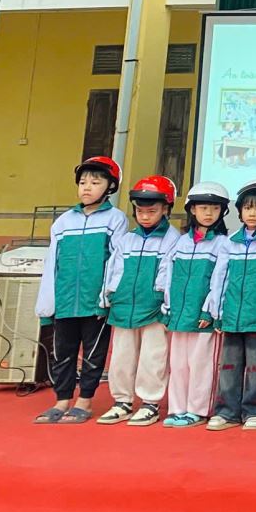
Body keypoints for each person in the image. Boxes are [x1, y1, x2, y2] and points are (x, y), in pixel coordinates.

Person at [35, 156, 127, 424]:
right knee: (62, 353)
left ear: (110, 187)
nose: (87, 187)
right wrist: (47, 304)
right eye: (83, 182)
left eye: (95, 182)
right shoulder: (63, 222)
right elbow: (52, 264)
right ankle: (61, 400)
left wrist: (106, 297)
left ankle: (85, 401)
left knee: (93, 354)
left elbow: (117, 261)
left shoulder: (115, 219)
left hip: (94, 301)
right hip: (64, 301)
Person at [97, 174, 180, 427]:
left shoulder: (173, 239)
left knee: (153, 357)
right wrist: (109, 296)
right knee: (121, 356)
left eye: (152, 211)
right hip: (124, 307)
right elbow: (114, 270)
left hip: (153, 308)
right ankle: (122, 401)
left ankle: (150, 403)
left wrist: (163, 302)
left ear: (166, 209)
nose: (145, 216)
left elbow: (169, 274)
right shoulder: (127, 239)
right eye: (140, 211)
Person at [205, 178, 256, 431]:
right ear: (239, 211)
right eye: (247, 207)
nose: (252, 213)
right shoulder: (230, 241)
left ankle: (255, 410)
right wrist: (217, 310)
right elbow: (220, 277)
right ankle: (226, 411)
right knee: (228, 365)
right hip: (231, 315)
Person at [156, 181, 230, 428]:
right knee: (178, 365)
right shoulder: (180, 243)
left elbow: (220, 280)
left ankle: (198, 409)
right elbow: (168, 275)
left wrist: (209, 310)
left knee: (201, 365)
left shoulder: (223, 244)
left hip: (203, 318)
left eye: (215, 209)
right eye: (203, 208)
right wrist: (168, 307)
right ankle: (177, 408)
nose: (209, 213)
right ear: (192, 210)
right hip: (178, 315)